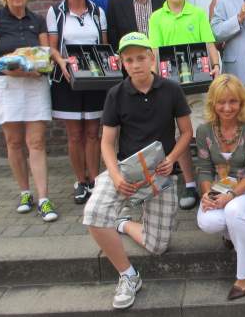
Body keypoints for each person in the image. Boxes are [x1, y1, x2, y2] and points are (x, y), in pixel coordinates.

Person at [83, 32, 192, 310]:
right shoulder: (116, 94)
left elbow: (187, 133)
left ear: (152, 58)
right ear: (122, 63)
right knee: (94, 213)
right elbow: (107, 143)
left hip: (160, 172)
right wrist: (116, 176)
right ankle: (128, 275)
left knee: (157, 246)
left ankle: (123, 223)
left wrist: (172, 158)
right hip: (125, 170)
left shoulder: (172, 89)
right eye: (129, 59)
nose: (136, 64)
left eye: (141, 57)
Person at [0, 0, 58, 222]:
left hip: (33, 83)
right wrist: (7, 66)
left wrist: (38, 65)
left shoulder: (37, 20)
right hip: (6, 84)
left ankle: (44, 198)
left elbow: (45, 52)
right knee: (14, 142)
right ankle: (25, 193)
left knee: (36, 142)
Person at [148, 0, 222, 210]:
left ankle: (210, 179)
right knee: (180, 136)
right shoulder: (156, 17)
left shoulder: (198, 14)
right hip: (171, 88)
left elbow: (209, 43)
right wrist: (155, 78)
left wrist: (214, 66)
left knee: (204, 134)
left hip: (199, 86)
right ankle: (189, 183)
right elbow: (155, 52)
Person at [195, 74, 245, 301]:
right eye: (221, 102)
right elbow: (204, 169)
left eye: (233, 101)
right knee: (207, 221)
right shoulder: (204, 130)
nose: (227, 108)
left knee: (234, 210)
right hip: (219, 188)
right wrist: (207, 194)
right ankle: (233, 230)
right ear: (212, 103)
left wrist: (232, 196)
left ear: (241, 102)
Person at [46, 0, 108, 204]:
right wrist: (61, 62)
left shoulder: (97, 11)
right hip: (68, 79)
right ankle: (80, 181)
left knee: (93, 133)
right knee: (74, 135)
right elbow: (52, 46)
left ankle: (94, 180)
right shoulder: (56, 12)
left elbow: (104, 44)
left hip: (93, 78)